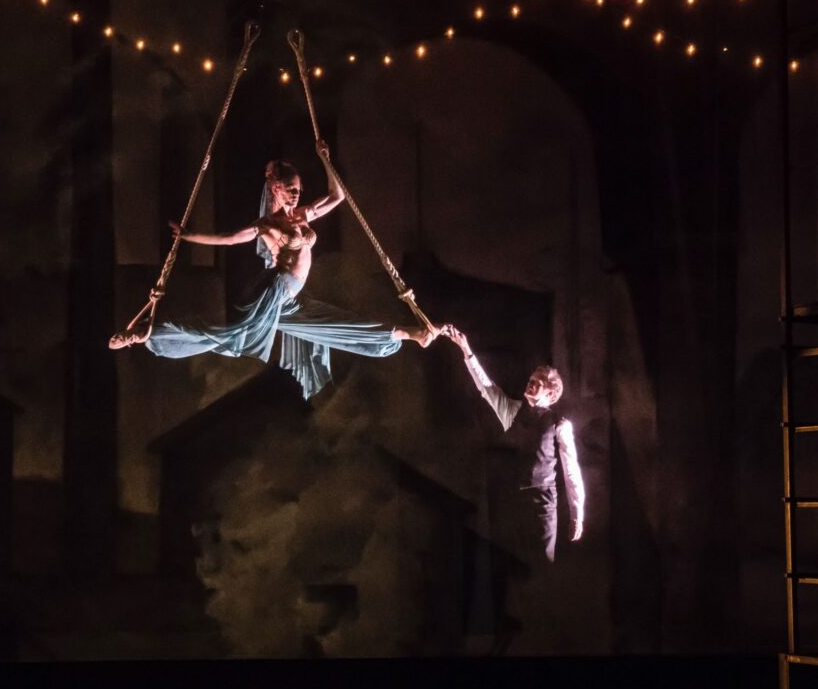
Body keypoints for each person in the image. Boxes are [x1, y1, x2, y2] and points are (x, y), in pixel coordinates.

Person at [109, 140, 438, 399]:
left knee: (332, 325)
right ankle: (149, 333)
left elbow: (338, 195)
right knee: (234, 334)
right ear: (276, 189)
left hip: (291, 298)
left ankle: (409, 334)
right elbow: (229, 238)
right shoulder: (267, 225)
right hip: (275, 290)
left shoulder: (302, 215)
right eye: (291, 188)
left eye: (299, 189)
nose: (297, 194)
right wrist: (189, 235)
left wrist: (324, 158)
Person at [442, 325, 584, 563]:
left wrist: (577, 514)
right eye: (531, 379)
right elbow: (486, 388)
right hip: (511, 502)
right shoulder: (512, 411)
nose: (531, 383)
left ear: (551, 394)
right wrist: (466, 350)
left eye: (538, 382)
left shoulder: (559, 423)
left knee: (541, 566)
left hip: (541, 505)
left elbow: (571, 471)